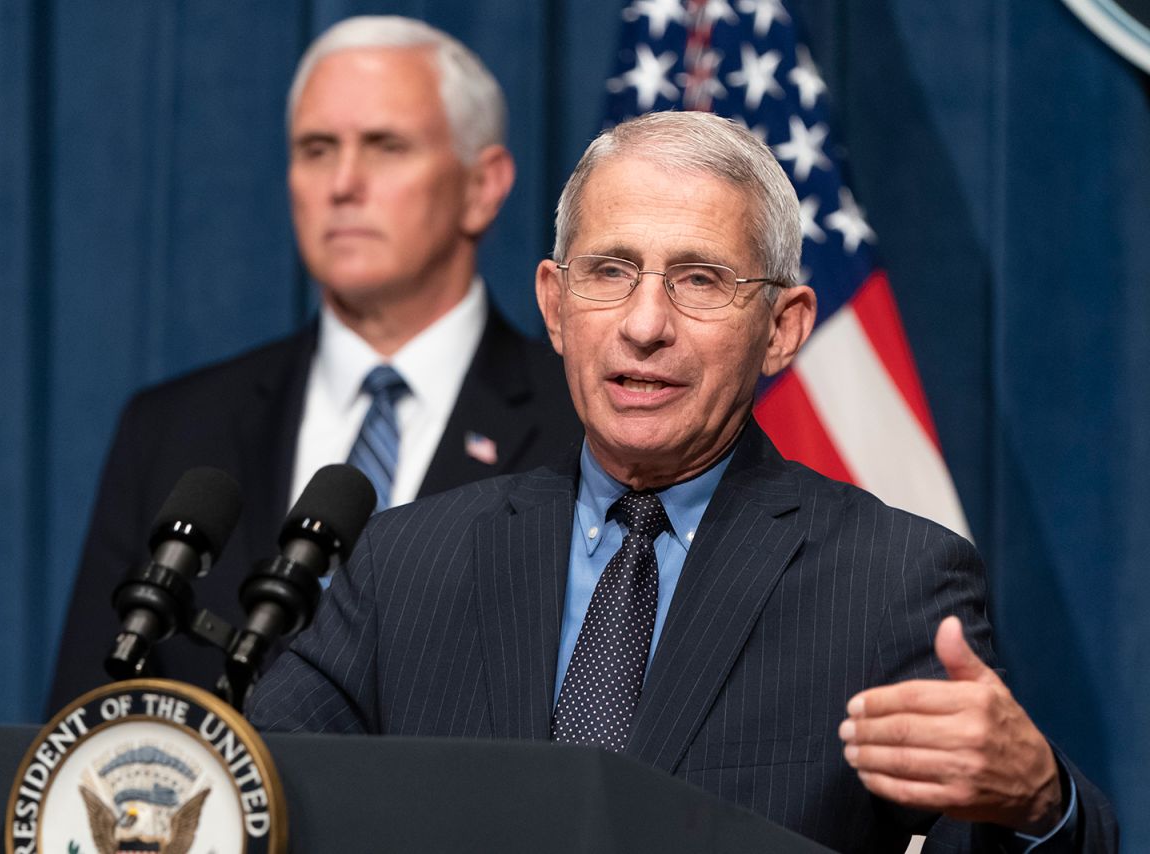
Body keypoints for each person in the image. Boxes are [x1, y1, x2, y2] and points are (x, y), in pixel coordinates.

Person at [247, 112, 1117, 852]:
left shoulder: (890, 585)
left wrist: (1042, 802)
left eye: (700, 280)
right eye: (610, 272)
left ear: (782, 330)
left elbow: (1000, 826)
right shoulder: (407, 564)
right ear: (555, 305)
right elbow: (252, 792)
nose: (644, 324)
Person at [46, 16, 580, 712]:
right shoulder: (173, 428)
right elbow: (88, 710)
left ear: (484, 186)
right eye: (317, 148)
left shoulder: (579, 423)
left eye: (386, 146)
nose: (344, 183)